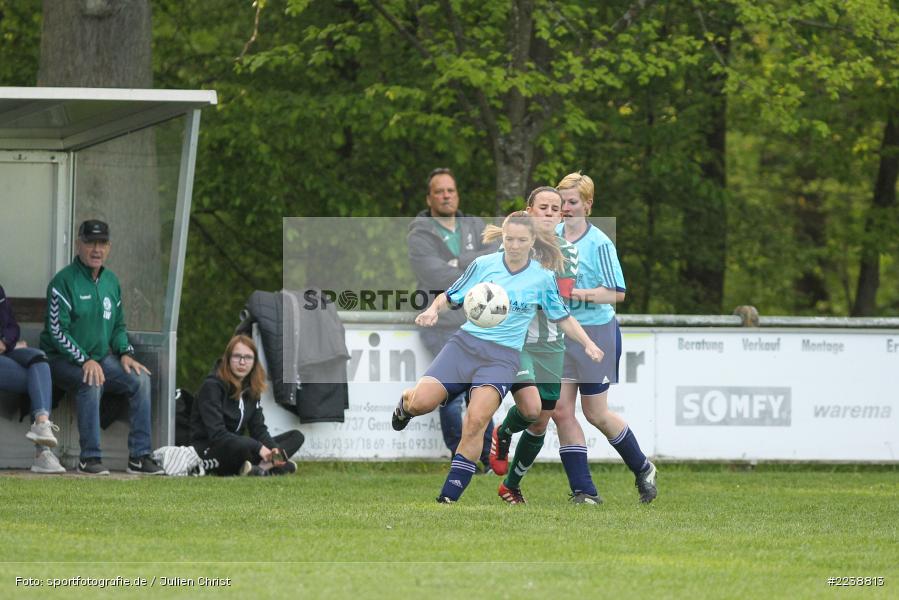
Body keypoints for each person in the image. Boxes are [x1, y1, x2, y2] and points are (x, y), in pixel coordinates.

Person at [393, 211, 604, 503]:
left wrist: (588, 343)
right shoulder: (484, 265)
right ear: (502, 238)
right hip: (464, 346)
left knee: (476, 420)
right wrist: (432, 310)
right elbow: (449, 295)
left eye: (521, 240)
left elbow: (563, 317)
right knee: (421, 403)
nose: (514, 245)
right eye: (509, 239)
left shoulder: (542, 278)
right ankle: (405, 404)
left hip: (502, 359)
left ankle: (447, 498)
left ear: (532, 241)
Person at [554, 172, 657, 503]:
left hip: (597, 333)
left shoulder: (599, 243)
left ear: (588, 204)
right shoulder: (552, 236)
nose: (565, 208)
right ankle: (584, 491)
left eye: (572, 202)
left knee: (595, 413)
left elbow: (618, 293)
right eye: (561, 202)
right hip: (564, 332)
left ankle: (643, 467)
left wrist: (575, 294)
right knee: (560, 410)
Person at [40, 219, 163, 476]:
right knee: (92, 380)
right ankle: (89, 458)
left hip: (98, 358)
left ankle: (139, 456)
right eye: (90, 243)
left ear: (109, 247)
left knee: (140, 379)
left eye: (102, 243)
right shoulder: (63, 282)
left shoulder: (111, 282)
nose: (96, 249)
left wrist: (125, 353)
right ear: (78, 245)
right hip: (59, 360)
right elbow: (57, 332)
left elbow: (118, 326)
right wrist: (84, 359)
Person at [485, 187, 578, 504]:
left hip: (552, 343)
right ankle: (503, 432)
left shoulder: (569, 251)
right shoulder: (513, 243)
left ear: (561, 215)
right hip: (518, 340)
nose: (549, 213)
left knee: (540, 422)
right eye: (543, 207)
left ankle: (511, 485)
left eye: (555, 208)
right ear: (529, 211)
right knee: (531, 409)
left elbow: (560, 299)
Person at [407, 167, 497, 471]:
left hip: (477, 321)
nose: (446, 196)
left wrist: (459, 262)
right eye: (439, 191)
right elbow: (435, 275)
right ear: (429, 198)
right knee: (453, 390)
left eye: (451, 190)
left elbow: (494, 253)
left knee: (482, 389)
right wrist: (473, 270)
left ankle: (486, 458)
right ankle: (461, 455)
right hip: (442, 324)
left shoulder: (474, 224)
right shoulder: (419, 233)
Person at [190, 334, 304, 476]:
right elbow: (218, 435)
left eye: (248, 357)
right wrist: (258, 447)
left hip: (239, 448)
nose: (242, 362)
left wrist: (273, 449)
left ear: (254, 362)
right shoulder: (212, 387)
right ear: (228, 359)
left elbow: (259, 430)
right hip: (212, 449)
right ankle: (270, 467)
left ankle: (261, 467)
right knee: (244, 446)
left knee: (296, 437)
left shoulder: (251, 389)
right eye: (237, 356)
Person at [0, 285, 66, 473]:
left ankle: (41, 423)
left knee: (39, 358)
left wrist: (5, 342)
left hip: (6, 350)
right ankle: (42, 453)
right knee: (37, 381)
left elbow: (12, 326)